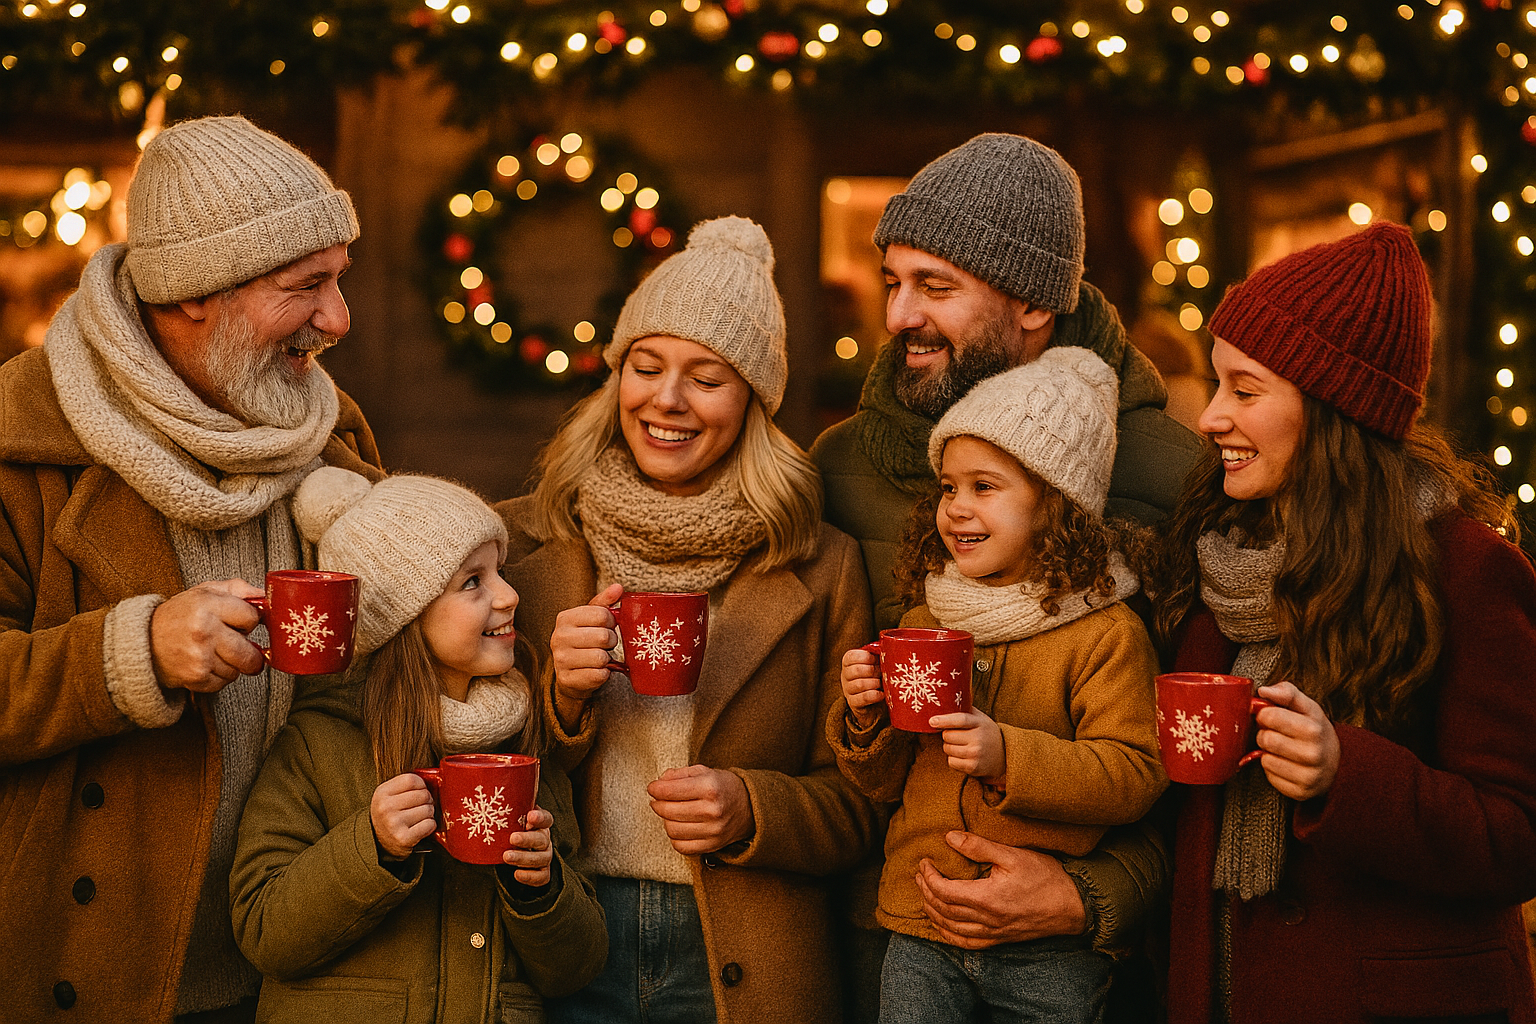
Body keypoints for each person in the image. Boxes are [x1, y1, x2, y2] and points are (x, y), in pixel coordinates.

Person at [0, 115, 381, 1022]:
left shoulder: (332, 429)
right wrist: (131, 653)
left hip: (308, 965)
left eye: (340, 279)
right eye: (305, 286)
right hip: (100, 971)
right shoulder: (21, 438)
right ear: (194, 295)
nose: (338, 319)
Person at [809, 132, 1199, 1014]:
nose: (897, 315)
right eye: (893, 281)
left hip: (1082, 968)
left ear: (1032, 303)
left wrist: (1090, 895)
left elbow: (1193, 768)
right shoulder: (841, 470)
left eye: (935, 286)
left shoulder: (1171, 479)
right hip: (889, 952)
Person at [498, 216, 879, 1024]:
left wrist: (753, 808)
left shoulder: (821, 564)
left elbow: (860, 807)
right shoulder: (522, 545)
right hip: (566, 934)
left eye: (706, 377)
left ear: (753, 402)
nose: (666, 399)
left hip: (744, 951)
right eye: (646, 367)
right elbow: (464, 759)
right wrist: (561, 699)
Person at [1152, 222, 1536, 1022]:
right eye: (1218, 385)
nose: (1211, 417)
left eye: (1245, 391)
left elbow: (1517, 835)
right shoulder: (1218, 555)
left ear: (1332, 407)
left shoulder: (1464, 570)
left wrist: (1346, 775)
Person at [831, 349, 1167, 1024]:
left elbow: (1135, 773)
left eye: (984, 487)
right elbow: (883, 785)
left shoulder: (1104, 634)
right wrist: (867, 717)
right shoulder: (924, 620)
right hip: (920, 923)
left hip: (1047, 949)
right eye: (948, 488)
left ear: (1054, 505)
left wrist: (1008, 757)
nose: (957, 508)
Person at [229, 467, 607, 1022]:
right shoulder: (320, 743)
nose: (509, 596)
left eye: (500, 572)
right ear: (402, 617)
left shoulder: (523, 746)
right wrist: (372, 845)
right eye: (472, 582)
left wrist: (542, 889)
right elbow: (263, 931)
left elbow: (578, 968)